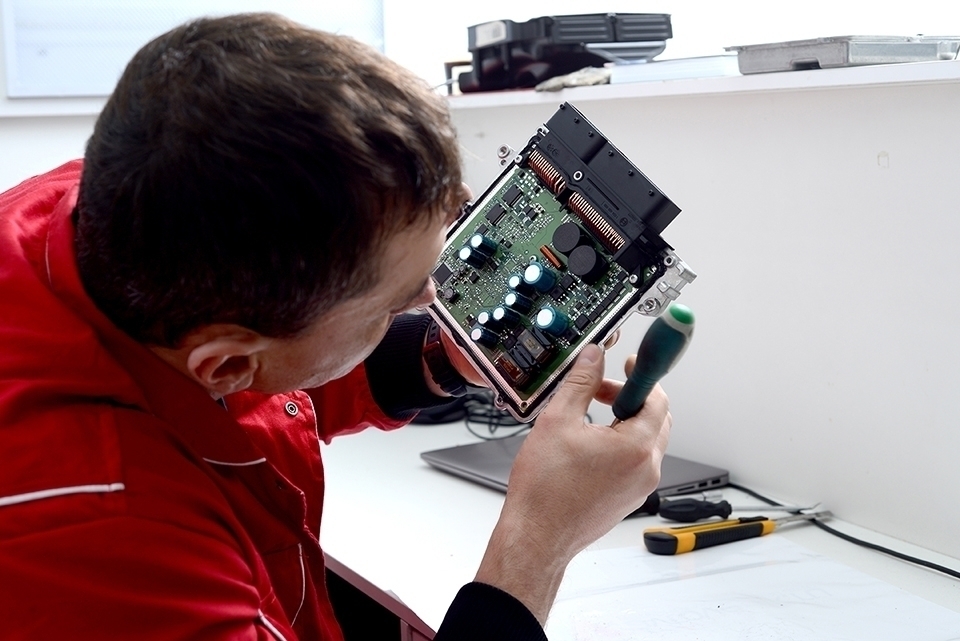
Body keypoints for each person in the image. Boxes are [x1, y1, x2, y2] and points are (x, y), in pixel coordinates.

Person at [0, 12, 672, 640]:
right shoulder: (110, 535)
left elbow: (269, 380)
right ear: (227, 365)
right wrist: (539, 540)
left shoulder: (132, 204)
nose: (430, 299)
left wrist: (437, 360)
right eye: (394, 303)